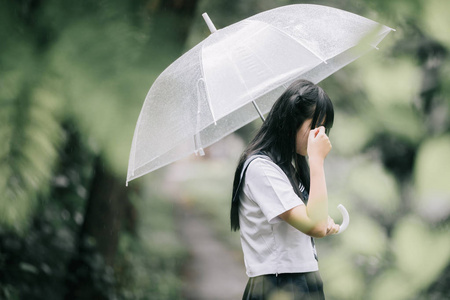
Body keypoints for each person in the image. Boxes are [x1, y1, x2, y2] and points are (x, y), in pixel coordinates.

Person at [230, 79, 339, 300]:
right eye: (314, 127)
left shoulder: (286, 166)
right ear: (292, 122)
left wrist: (321, 218)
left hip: (300, 280)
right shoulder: (261, 169)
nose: (320, 135)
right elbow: (314, 227)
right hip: (279, 284)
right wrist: (317, 160)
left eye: (324, 128)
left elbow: (311, 220)